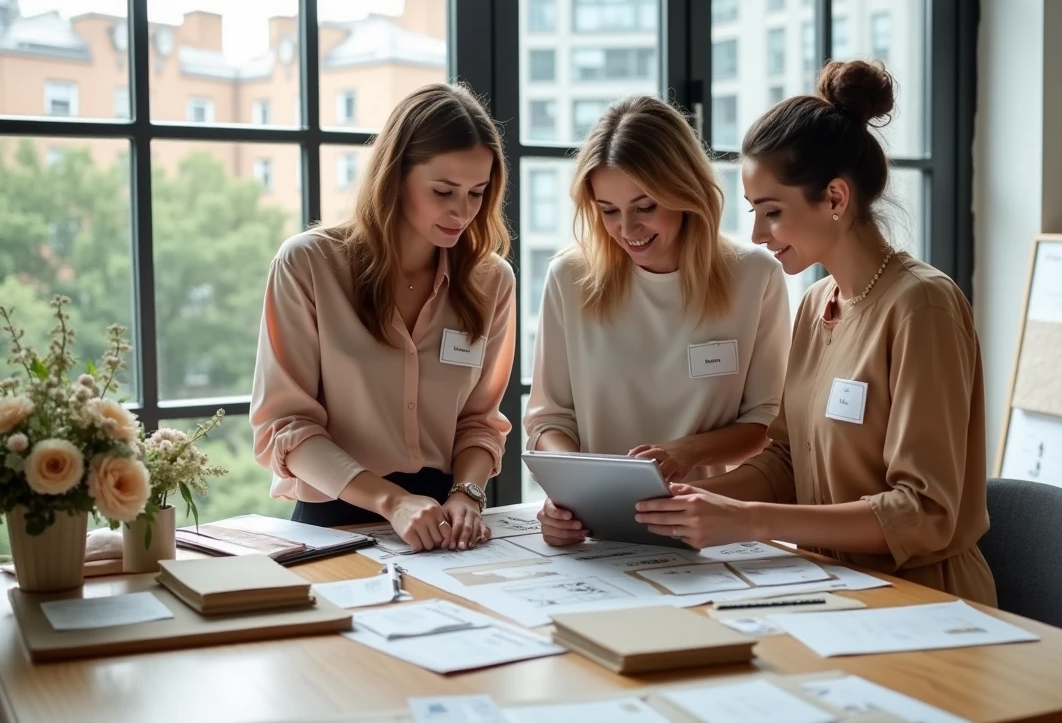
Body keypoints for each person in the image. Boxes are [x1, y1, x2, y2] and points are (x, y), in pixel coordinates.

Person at [633, 61, 997, 605]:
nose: (757, 234)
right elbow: (787, 462)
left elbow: (924, 513)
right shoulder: (813, 305)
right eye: (755, 212)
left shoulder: (923, 307)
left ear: (835, 198)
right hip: (829, 587)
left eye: (772, 212)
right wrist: (684, 504)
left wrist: (750, 521)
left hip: (920, 599)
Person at [250, 83, 516, 553]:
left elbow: (479, 422)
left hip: (447, 524)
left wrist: (467, 495)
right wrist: (392, 502)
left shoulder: (491, 281)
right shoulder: (309, 265)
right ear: (395, 177)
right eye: (443, 191)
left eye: (477, 192)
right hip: (333, 521)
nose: (463, 211)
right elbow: (285, 430)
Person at [527, 95, 791, 547]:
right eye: (608, 210)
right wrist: (568, 495)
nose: (627, 229)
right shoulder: (570, 277)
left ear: (684, 192)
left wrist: (684, 453)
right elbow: (549, 418)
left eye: (645, 206)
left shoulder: (755, 276)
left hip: (711, 527)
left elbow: (766, 422)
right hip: (600, 532)